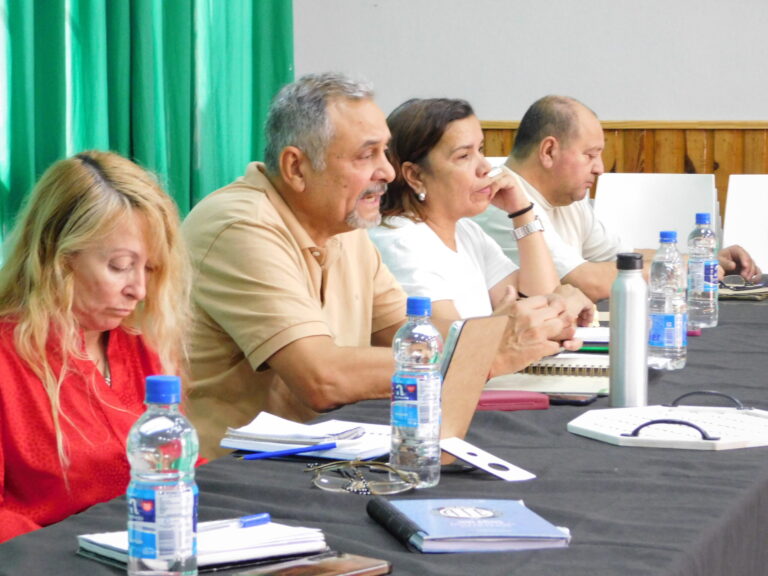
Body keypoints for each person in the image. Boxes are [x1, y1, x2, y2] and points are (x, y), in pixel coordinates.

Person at [182, 73, 582, 460]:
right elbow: (322, 377)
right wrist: (491, 352)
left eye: (385, 153)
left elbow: (420, 339)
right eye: (366, 155)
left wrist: (533, 321)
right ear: (296, 168)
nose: (388, 173)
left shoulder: (347, 227)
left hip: (320, 453)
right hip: (227, 474)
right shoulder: (241, 225)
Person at [0, 151, 190, 543]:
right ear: (57, 256)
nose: (138, 290)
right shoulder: (8, 359)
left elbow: (175, 468)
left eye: (150, 269)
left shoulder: (137, 346)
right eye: (120, 265)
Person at [474, 95, 762, 301]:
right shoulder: (504, 202)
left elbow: (623, 259)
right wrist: (695, 268)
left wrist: (706, 257)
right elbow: (589, 283)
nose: (599, 168)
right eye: (590, 155)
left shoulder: (567, 199)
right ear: (549, 151)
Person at [369, 97, 563, 321]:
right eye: (464, 156)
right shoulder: (399, 242)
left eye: (480, 150)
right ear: (415, 176)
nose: (486, 167)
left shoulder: (467, 232)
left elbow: (545, 305)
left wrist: (522, 211)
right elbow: (448, 345)